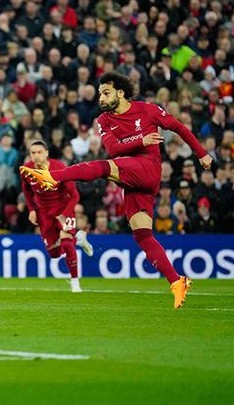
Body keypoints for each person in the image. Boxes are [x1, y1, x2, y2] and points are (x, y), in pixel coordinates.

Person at [21, 72, 212, 308]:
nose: (101, 97)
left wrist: (201, 153)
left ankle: (52, 177)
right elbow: (112, 148)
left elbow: (179, 127)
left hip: (148, 169)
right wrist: (141, 140)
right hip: (132, 179)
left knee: (102, 167)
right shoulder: (103, 120)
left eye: (106, 92)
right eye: (100, 93)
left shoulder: (148, 110)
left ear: (120, 93)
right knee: (142, 235)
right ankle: (176, 281)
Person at [20, 140, 93, 293]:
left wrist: (64, 214)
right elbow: (26, 189)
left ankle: (75, 283)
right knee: (54, 254)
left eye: (39, 152)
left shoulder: (59, 168)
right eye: (33, 153)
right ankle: (78, 237)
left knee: (66, 243)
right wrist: (31, 210)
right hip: (44, 212)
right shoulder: (26, 169)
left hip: (63, 208)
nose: (36, 156)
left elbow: (75, 196)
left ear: (46, 153)